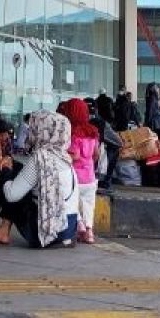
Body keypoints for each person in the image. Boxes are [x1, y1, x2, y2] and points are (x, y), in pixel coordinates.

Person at [0, 111, 79, 248]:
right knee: (17, 169)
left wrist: (6, 169)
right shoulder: (66, 159)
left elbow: (11, 195)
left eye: (33, 128)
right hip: (68, 233)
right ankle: (3, 230)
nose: (30, 131)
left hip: (44, 235)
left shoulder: (40, 160)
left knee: (10, 175)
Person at [58, 99, 100, 244]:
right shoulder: (93, 132)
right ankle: (89, 232)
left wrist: (60, 155)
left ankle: (80, 224)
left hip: (75, 178)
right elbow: (96, 154)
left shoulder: (72, 132)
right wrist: (88, 163)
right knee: (89, 204)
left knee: (71, 203)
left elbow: (74, 155)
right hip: (90, 177)